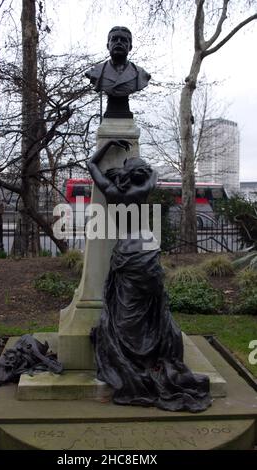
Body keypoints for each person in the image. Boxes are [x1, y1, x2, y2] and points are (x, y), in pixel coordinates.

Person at [87, 140, 212, 412]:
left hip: (127, 253)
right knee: (153, 310)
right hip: (148, 253)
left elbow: (91, 164)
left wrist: (108, 145)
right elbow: (153, 174)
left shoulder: (111, 191)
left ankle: (130, 358)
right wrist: (135, 161)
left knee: (127, 312)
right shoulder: (145, 188)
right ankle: (152, 355)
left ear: (124, 175)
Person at [85, 27, 151, 117]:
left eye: (124, 40)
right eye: (114, 39)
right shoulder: (96, 72)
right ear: (108, 46)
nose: (119, 42)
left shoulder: (141, 74)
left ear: (130, 47)